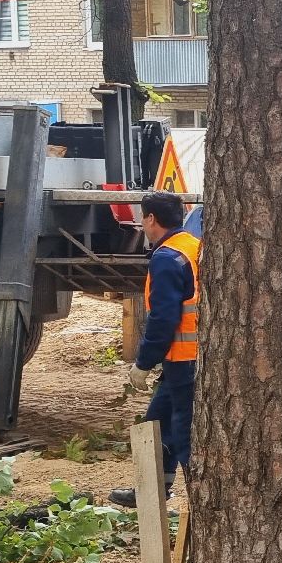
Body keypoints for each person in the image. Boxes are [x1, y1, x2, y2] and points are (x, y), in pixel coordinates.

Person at [110, 191, 200, 508]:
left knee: (182, 433)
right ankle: (152, 492)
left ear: (151, 219)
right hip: (191, 359)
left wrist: (144, 363)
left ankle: (201, 503)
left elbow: (163, 319)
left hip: (183, 360)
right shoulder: (191, 246)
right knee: (156, 425)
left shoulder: (165, 259)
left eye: (142, 218)